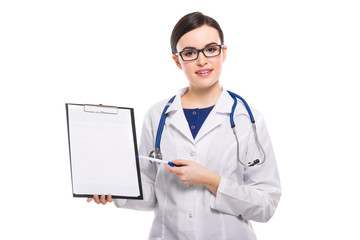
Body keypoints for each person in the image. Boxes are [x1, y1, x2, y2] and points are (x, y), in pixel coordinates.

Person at [88, 12, 281, 240]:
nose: (202, 60)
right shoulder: (158, 115)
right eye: (190, 53)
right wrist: (115, 191)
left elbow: (266, 205)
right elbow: (152, 191)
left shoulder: (246, 119)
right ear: (177, 60)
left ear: (223, 52)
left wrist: (210, 179)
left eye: (210, 49)